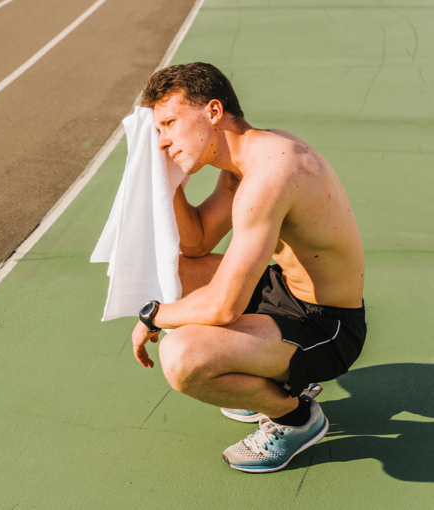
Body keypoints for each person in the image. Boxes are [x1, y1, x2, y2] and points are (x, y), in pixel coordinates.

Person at [132, 63, 366, 472]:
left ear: (213, 112)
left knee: (182, 357)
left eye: (170, 123)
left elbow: (223, 307)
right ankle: (262, 383)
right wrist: (164, 183)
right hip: (284, 292)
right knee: (176, 271)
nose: (162, 142)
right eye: (159, 130)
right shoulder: (245, 157)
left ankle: (295, 418)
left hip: (327, 327)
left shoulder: (271, 174)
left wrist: (152, 316)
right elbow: (198, 241)